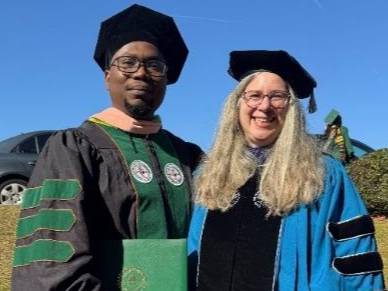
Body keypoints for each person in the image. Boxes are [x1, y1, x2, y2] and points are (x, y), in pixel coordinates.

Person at [12, 4, 202, 290]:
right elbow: (49, 267)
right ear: (106, 76)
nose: (141, 74)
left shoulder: (187, 155)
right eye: (127, 63)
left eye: (155, 65)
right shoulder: (74, 148)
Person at [188, 50, 385, 291]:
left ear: (291, 109)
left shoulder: (321, 172)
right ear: (236, 104)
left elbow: (354, 257)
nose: (265, 106)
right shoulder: (210, 173)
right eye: (254, 96)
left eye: (277, 97)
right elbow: (192, 251)